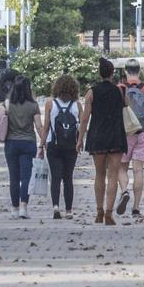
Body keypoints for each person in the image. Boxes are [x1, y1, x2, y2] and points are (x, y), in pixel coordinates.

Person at [80, 58, 127, 225]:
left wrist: (80, 139)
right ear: (112, 73)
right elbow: (125, 109)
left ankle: (99, 212)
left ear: (99, 73)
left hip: (97, 136)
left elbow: (85, 118)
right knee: (113, 175)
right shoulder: (119, 91)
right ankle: (109, 212)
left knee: (99, 174)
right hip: (115, 136)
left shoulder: (91, 93)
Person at [0, 76, 42, 219]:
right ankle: (23, 208)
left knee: (14, 177)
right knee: (26, 177)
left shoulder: (8, 103)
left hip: (11, 143)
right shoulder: (33, 105)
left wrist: (6, 111)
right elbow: (38, 125)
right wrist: (44, 141)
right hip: (28, 143)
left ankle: (14, 209)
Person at [116, 60, 144, 219]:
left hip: (125, 133)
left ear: (125, 71)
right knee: (138, 170)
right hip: (142, 132)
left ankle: (125, 191)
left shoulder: (120, 89)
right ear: (139, 71)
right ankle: (136, 207)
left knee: (121, 167)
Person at [40, 74, 81, 220]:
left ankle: (56, 207)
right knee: (68, 178)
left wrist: (41, 145)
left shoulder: (50, 104)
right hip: (71, 145)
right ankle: (69, 210)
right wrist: (80, 142)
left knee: (55, 177)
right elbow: (82, 127)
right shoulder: (77, 105)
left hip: (54, 144)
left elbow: (46, 127)